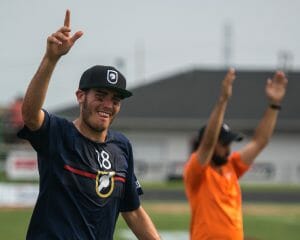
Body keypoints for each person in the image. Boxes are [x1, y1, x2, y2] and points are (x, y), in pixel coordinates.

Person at [18, 9, 160, 240]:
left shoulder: (121, 147)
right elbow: (31, 115)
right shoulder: (58, 134)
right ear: (80, 96)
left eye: (115, 100)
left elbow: (132, 211)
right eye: (100, 95)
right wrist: (51, 59)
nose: (107, 104)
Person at [183, 68, 288, 239]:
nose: (228, 149)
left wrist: (274, 105)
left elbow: (260, 141)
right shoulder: (197, 172)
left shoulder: (231, 165)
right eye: (224, 144)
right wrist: (223, 100)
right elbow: (208, 143)